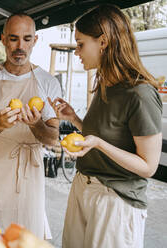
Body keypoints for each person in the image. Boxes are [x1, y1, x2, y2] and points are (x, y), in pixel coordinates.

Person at [48, 5, 162, 248]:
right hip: (83, 187)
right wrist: (75, 120)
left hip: (116, 201)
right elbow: (101, 135)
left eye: (81, 44)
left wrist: (98, 144)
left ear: (103, 42)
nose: (77, 51)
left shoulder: (140, 94)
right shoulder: (105, 84)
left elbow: (148, 167)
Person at [0, 13, 62, 240]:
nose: (20, 46)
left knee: (25, 239)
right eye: (13, 38)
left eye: (27, 39)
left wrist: (36, 124)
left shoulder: (47, 82)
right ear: (3, 39)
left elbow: (52, 138)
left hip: (29, 178)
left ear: (35, 41)